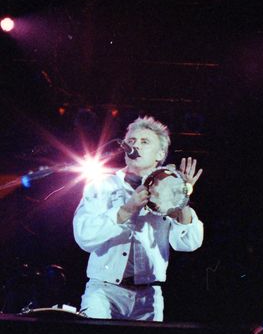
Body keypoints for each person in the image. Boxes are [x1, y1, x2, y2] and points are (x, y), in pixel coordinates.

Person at [73, 116, 203, 321]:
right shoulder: (102, 185)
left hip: (149, 296)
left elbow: (188, 243)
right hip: (103, 292)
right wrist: (126, 209)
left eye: (145, 142)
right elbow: (84, 237)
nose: (135, 146)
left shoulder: (170, 189)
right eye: (131, 141)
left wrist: (182, 199)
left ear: (160, 154)